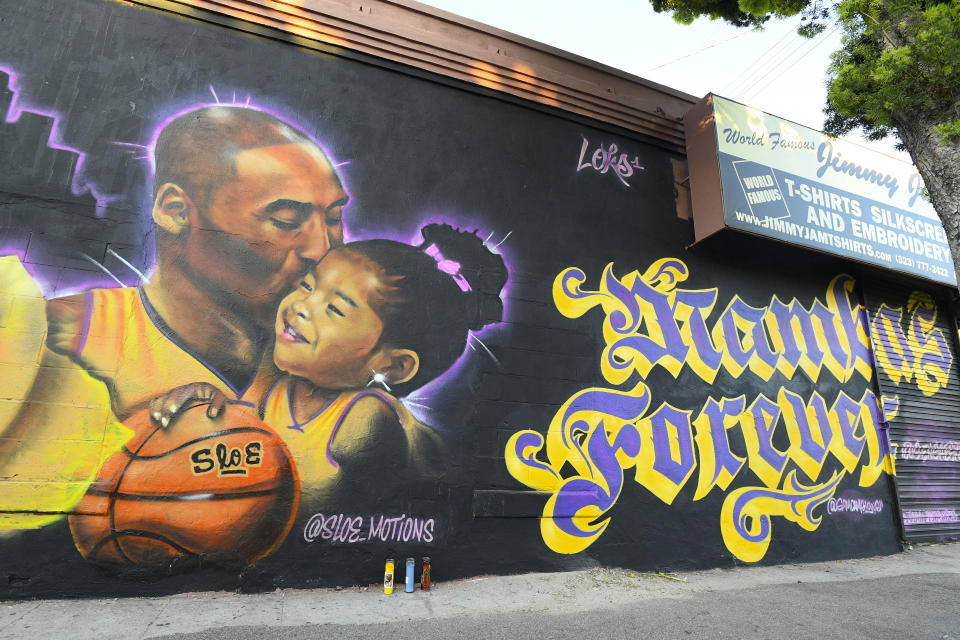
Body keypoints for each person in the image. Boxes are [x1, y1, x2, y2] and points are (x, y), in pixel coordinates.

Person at [0, 105, 348, 527]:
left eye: (334, 218)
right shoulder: (58, 339)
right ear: (174, 211)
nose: (323, 248)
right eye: (286, 220)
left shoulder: (338, 359)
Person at [153, 223, 508, 513]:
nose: (302, 306)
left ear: (393, 366)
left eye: (336, 309)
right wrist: (212, 408)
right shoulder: (280, 381)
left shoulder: (367, 418)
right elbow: (247, 436)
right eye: (308, 285)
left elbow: (298, 501)